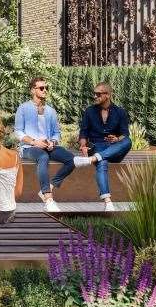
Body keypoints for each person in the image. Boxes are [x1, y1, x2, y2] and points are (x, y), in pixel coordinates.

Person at [15, 76, 79, 212]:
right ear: (33, 90)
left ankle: (49, 186)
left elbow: (57, 133)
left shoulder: (51, 111)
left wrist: (53, 141)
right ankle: (48, 198)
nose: (45, 90)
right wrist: (34, 142)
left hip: (48, 146)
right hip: (29, 148)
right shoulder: (23, 108)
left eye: (46, 88)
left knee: (71, 159)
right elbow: (18, 132)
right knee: (43, 157)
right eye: (42, 88)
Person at [76, 81, 133, 211]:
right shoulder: (89, 111)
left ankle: (94, 158)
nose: (95, 97)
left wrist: (117, 138)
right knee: (102, 161)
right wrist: (83, 146)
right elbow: (83, 132)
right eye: (94, 94)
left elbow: (125, 134)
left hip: (114, 148)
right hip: (97, 146)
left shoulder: (120, 112)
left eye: (98, 94)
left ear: (107, 95)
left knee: (128, 141)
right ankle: (108, 202)